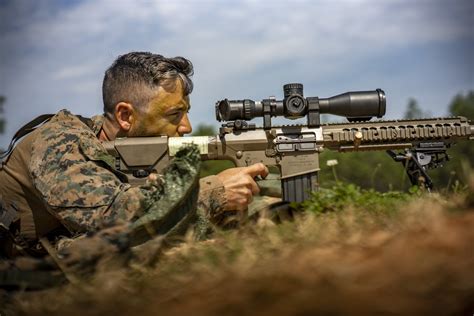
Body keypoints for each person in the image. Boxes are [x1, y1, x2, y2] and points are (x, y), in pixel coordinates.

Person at [0, 52, 269, 268]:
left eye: (185, 113)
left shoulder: (127, 149)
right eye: (175, 114)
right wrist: (217, 191)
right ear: (125, 116)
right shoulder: (60, 142)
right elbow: (119, 219)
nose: (186, 127)